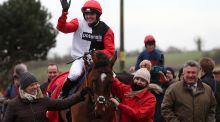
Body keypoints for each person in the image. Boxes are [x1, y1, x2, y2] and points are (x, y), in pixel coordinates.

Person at [57, 0, 115, 98]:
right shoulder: (78, 22)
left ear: (98, 15)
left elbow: (110, 51)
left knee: (113, 78)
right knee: (74, 74)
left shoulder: (107, 30)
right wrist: (64, 12)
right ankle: (63, 95)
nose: (88, 16)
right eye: (86, 14)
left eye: (92, 14)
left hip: (98, 63)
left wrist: (94, 53)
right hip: (80, 59)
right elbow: (62, 27)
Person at [3, 72, 90, 122]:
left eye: (36, 84)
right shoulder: (13, 104)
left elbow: (63, 103)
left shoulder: (42, 100)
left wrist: (80, 94)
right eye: (31, 85)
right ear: (24, 88)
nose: (35, 87)